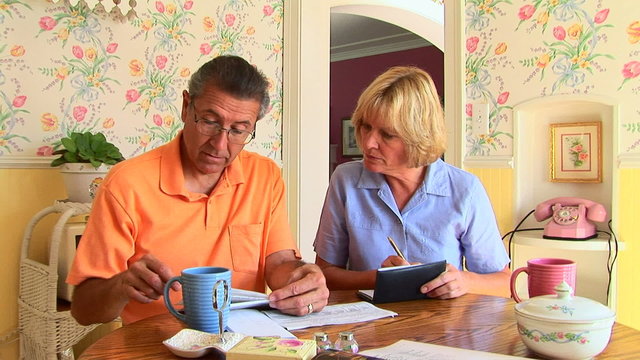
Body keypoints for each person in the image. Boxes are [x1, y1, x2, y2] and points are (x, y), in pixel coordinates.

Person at [68, 55, 329, 326]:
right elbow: (83, 310)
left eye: (239, 131)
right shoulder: (126, 184)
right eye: (209, 122)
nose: (219, 144)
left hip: (243, 343)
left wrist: (302, 279)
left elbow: (279, 264)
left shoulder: (265, 175)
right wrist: (121, 285)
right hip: (155, 346)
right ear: (185, 106)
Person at [313, 66, 511, 299]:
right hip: (368, 326)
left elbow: (504, 282)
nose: (368, 144)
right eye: (366, 127)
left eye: (387, 135)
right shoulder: (345, 180)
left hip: (443, 330)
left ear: (419, 136)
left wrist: (463, 281)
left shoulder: (464, 189)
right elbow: (325, 275)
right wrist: (379, 278)